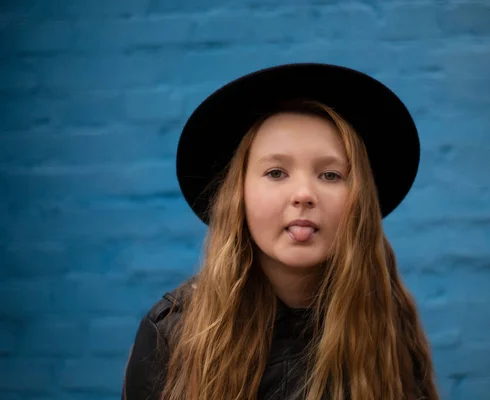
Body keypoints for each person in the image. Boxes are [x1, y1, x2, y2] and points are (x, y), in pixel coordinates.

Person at [121, 63, 440, 400]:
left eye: (330, 175)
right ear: (238, 194)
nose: (303, 194)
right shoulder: (174, 331)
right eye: (276, 172)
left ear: (359, 201)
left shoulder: (389, 326)